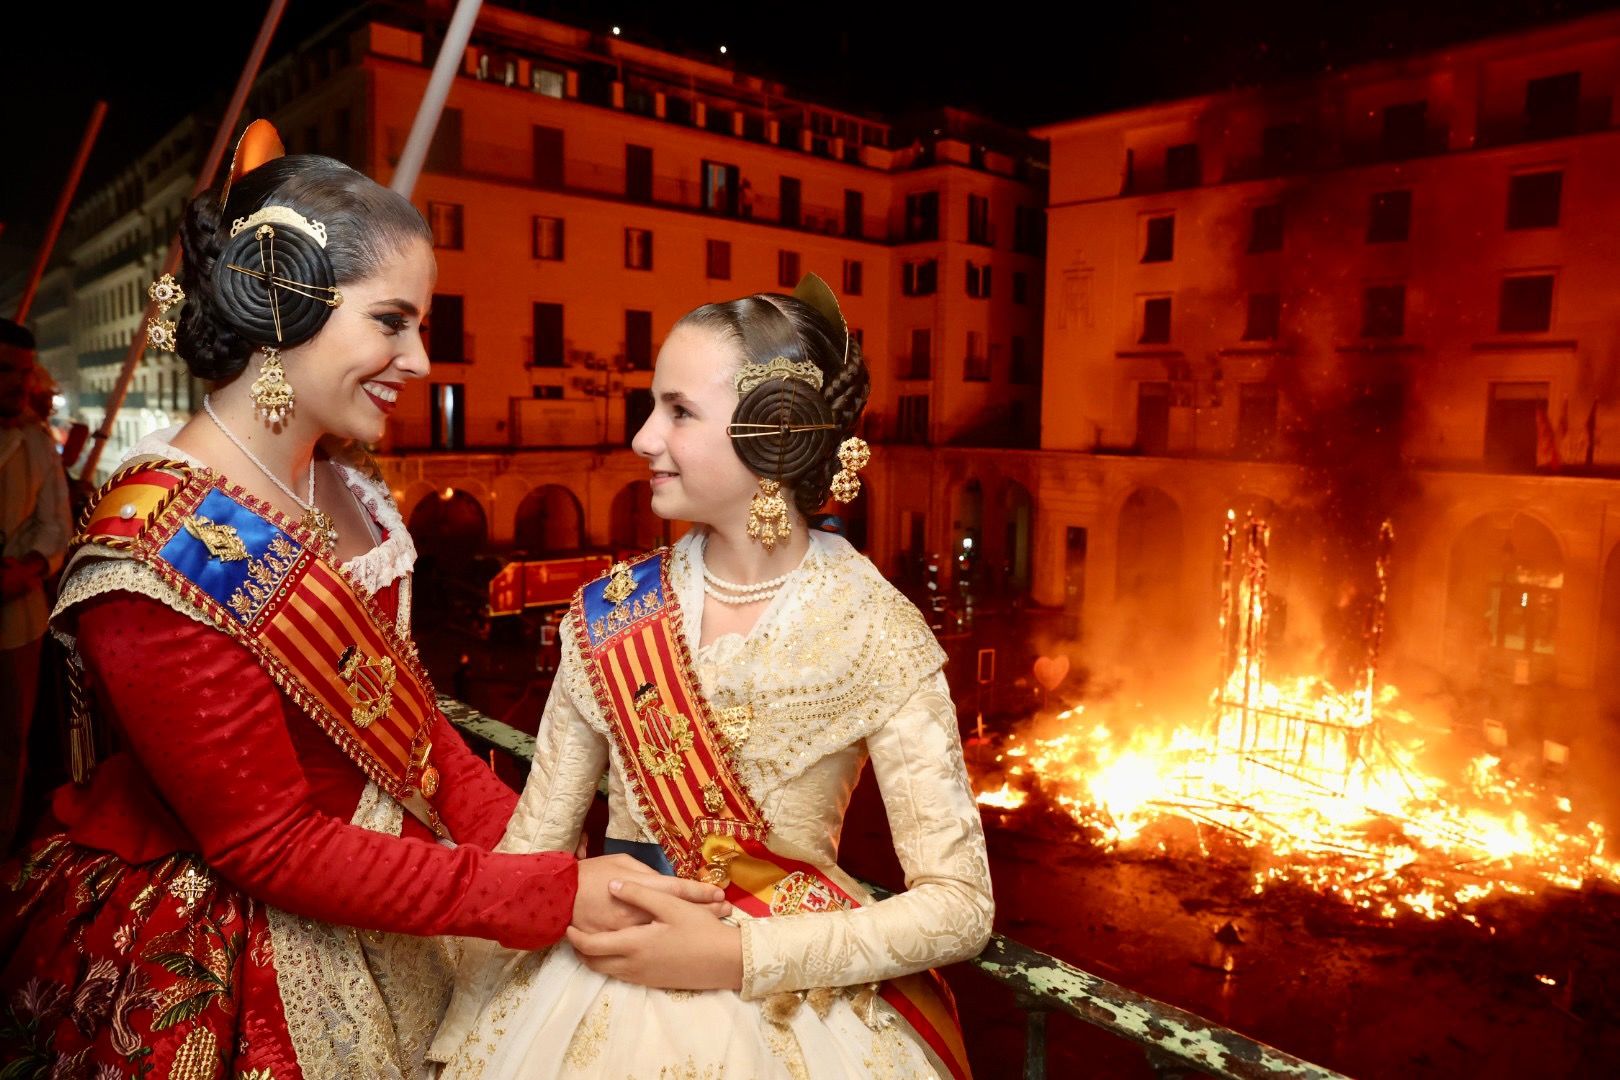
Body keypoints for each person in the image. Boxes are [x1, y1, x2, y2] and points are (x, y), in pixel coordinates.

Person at [0, 122, 721, 1078]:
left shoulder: (341, 479)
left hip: (410, 882)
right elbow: (268, 845)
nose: (421, 359)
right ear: (277, 303)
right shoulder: (154, 547)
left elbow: (412, 724)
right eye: (392, 321)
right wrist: (544, 895)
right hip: (244, 951)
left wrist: (545, 861)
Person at [431, 275, 993, 1078]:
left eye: (679, 411)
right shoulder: (610, 614)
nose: (642, 438)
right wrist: (467, 1015)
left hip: (787, 1000)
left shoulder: (878, 629)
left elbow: (959, 906)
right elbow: (534, 851)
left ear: (777, 434)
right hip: (591, 988)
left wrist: (737, 955)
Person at [0, 317, 72, 854]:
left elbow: (54, 523)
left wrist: (27, 568)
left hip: (15, 616)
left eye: (25, 374)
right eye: (6, 371)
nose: (20, 386)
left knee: (8, 746)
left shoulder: (34, 442)